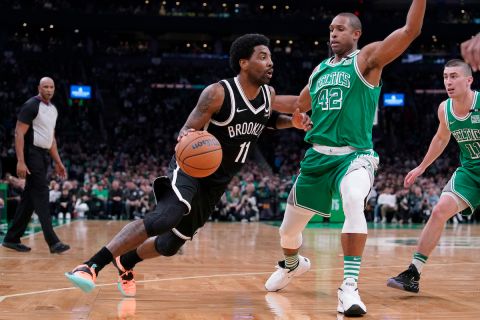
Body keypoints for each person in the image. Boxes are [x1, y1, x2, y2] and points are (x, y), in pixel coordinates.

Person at [65, 34, 312, 296]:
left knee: (171, 244)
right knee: (166, 216)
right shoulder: (217, 93)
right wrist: (185, 135)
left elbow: (266, 120)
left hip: (218, 181)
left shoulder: (267, 94)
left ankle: (125, 262)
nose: (270, 62)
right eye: (263, 57)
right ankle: (90, 265)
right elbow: (187, 128)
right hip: (192, 169)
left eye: (271, 57)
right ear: (243, 63)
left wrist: (291, 123)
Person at [263, 1, 426, 317]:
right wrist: (260, 100)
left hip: (355, 156)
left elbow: (410, 31)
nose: (333, 34)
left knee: (353, 200)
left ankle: (349, 287)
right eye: (330, 30)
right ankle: (293, 265)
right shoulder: (320, 70)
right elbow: (298, 103)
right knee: (287, 232)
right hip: (317, 160)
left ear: (356, 33)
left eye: (340, 29)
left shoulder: (366, 60)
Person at [387, 59, 479, 293]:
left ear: (469, 80)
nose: (449, 81)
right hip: (470, 172)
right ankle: (413, 273)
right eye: (446, 76)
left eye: (454, 76)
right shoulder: (444, 109)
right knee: (439, 211)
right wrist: (421, 167)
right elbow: (441, 138)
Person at [2, 77, 70, 254]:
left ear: (54, 89)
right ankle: (52, 241)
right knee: (41, 192)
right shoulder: (31, 105)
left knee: (29, 200)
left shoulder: (53, 110)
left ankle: (11, 238)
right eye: (45, 86)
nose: (48, 89)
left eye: (51, 87)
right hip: (31, 153)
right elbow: (19, 133)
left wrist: (58, 162)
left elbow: (51, 140)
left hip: (43, 155)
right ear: (39, 88)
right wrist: (21, 160)